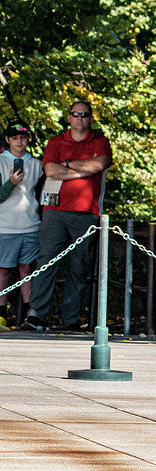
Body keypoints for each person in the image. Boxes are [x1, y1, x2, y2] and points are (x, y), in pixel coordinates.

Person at [24, 100, 112, 331]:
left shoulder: (100, 142)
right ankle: (36, 316)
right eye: (76, 114)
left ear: (90, 118)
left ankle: (71, 320)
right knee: (45, 263)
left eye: (85, 115)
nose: (80, 118)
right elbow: (50, 170)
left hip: (87, 213)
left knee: (79, 267)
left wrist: (67, 166)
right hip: (53, 211)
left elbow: (100, 164)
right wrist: (81, 171)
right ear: (69, 117)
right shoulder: (56, 142)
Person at [0, 120, 43, 327]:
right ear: (7, 139)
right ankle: (1, 313)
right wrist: (11, 184)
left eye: (23, 138)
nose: (19, 142)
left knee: (27, 269)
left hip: (30, 224)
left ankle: (29, 314)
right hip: (4, 225)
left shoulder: (36, 164)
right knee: (4, 270)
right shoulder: (0, 162)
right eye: (15, 138)